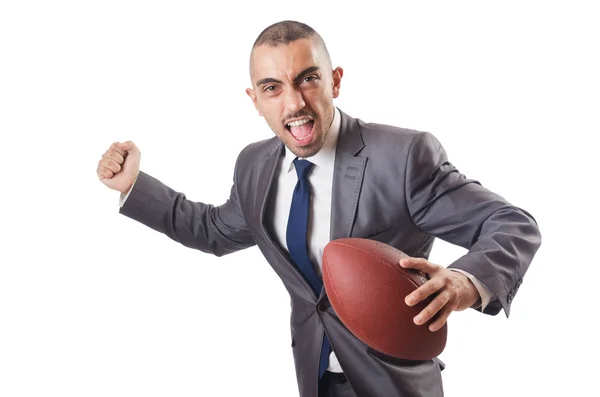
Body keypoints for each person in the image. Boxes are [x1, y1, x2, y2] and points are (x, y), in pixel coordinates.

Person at [96, 20, 541, 397]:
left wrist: (465, 281)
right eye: (273, 88)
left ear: (336, 80)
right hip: (314, 378)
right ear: (255, 100)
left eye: (308, 78)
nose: (294, 103)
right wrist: (133, 186)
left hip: (395, 383)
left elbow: (510, 223)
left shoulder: (402, 157)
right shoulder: (254, 164)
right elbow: (214, 230)